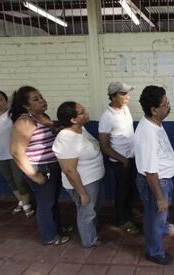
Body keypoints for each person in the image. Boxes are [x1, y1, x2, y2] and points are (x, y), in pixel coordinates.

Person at [10, 86, 70, 246]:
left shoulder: (42, 116)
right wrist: (34, 175)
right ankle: (49, 236)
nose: (42, 100)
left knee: (52, 201)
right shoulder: (25, 122)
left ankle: (56, 228)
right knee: (45, 203)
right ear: (26, 105)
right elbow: (16, 152)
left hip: (53, 166)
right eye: (35, 99)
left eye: (41, 96)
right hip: (41, 169)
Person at [134, 85, 174, 265]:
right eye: (165, 105)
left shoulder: (153, 122)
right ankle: (154, 252)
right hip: (155, 182)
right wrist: (160, 198)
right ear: (153, 109)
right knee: (154, 218)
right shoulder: (148, 133)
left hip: (162, 180)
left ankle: (162, 229)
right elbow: (150, 171)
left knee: (158, 217)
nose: (169, 107)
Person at [53, 101, 105, 248]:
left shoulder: (80, 129)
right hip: (83, 184)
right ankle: (89, 241)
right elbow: (69, 169)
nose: (87, 113)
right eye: (82, 112)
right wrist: (82, 193)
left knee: (93, 209)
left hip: (93, 180)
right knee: (86, 213)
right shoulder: (66, 138)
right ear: (73, 120)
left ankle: (91, 232)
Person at [0, 90, 33, 217]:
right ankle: (21, 201)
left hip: (16, 154)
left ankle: (26, 204)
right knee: (10, 180)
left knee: (20, 180)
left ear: (6, 101)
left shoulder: (13, 115)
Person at [98, 81, 139, 234]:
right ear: (113, 96)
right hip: (120, 161)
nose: (127, 97)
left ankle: (130, 211)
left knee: (130, 187)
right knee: (122, 190)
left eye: (127, 93)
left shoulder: (125, 109)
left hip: (131, 157)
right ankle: (122, 220)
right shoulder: (107, 117)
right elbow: (104, 146)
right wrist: (123, 159)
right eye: (123, 93)